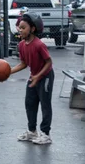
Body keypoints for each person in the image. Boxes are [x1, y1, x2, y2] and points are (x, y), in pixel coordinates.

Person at [10, 12, 54, 145]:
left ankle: (45, 134)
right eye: (19, 27)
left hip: (45, 76)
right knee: (29, 103)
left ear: (32, 29)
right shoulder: (21, 45)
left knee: (45, 105)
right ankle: (32, 131)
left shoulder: (39, 44)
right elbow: (23, 63)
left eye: (23, 27)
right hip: (34, 76)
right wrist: (9, 72)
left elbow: (49, 62)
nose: (20, 30)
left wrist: (38, 76)